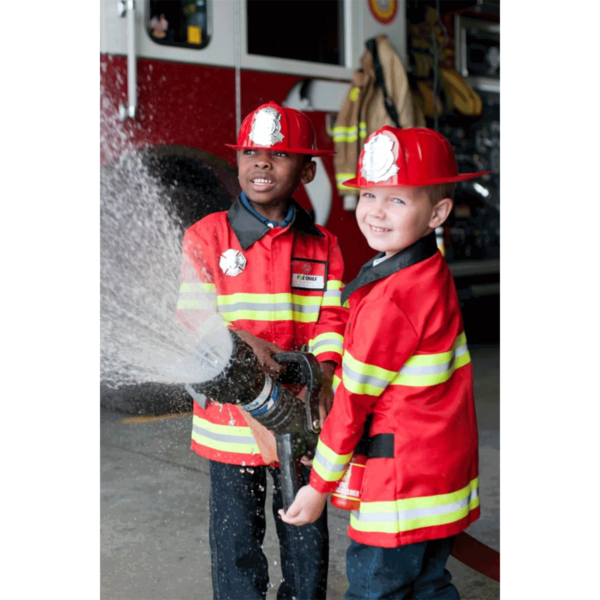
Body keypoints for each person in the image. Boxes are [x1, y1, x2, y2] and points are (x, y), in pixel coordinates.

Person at [280, 126, 491, 600]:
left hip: (400, 488)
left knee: (377, 589)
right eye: (370, 193)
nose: (375, 210)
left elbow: (354, 402)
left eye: (397, 200)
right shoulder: (426, 270)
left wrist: (317, 487)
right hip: (440, 477)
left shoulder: (391, 300)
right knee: (429, 585)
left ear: (437, 212)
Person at [177, 101, 346, 600]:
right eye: (250, 151)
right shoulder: (205, 237)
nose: (261, 163)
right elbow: (190, 319)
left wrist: (326, 375)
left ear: (308, 169)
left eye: (279, 154)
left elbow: (332, 321)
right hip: (229, 430)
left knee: (305, 534)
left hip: (298, 422)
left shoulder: (323, 245)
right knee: (235, 546)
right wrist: (235, 340)